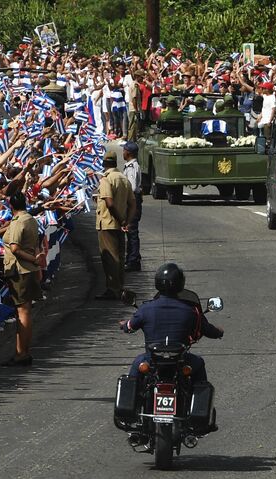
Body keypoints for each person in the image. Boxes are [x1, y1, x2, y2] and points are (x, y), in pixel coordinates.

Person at [120, 262, 224, 384]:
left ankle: (129, 403)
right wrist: (219, 332)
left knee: (137, 367)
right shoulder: (191, 311)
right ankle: (199, 402)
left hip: (152, 360)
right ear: (181, 284)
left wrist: (124, 324)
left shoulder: (145, 309)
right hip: (181, 361)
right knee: (198, 363)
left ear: (157, 283)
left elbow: (129, 327)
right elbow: (208, 330)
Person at [1, 192, 45, 366]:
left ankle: (22, 353)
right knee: (25, 311)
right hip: (28, 270)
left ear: (11, 206)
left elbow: (15, 248)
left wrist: (34, 260)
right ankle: (23, 351)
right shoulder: (30, 219)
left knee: (23, 312)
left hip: (21, 270)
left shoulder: (20, 222)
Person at [96, 152, 136, 300]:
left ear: (104, 163)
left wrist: (120, 220)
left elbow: (109, 203)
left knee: (110, 258)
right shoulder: (124, 178)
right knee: (119, 256)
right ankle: (119, 287)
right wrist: (127, 221)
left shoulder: (106, 179)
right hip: (120, 224)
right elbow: (133, 204)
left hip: (108, 223)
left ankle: (114, 289)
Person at [122, 141, 142, 272]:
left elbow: (132, 187)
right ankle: (132, 257)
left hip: (132, 201)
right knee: (131, 232)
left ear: (128, 153)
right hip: (134, 200)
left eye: (124, 150)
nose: (122, 152)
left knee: (132, 231)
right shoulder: (133, 165)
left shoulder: (131, 168)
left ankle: (133, 260)